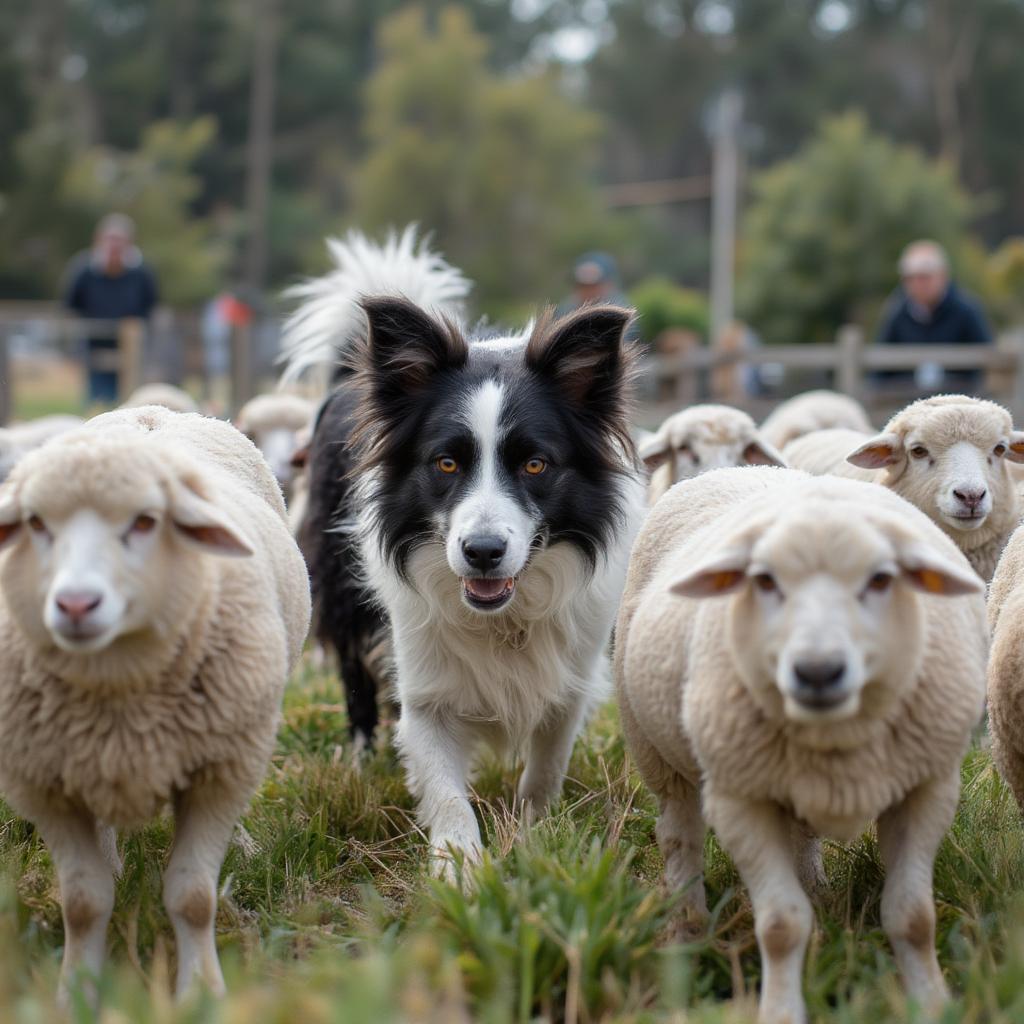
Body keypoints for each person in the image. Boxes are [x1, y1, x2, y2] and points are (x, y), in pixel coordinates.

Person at [64, 213, 159, 404]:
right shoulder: (84, 270)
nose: (114, 245)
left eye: (119, 240)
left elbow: (151, 306)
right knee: (99, 401)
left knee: (131, 400)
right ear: (99, 240)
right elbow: (71, 305)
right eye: (110, 240)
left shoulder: (141, 272)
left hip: (133, 348)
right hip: (95, 347)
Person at [876, 240, 992, 393]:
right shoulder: (897, 313)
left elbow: (987, 360)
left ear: (943, 276)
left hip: (960, 403)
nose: (918, 284)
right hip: (908, 403)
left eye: (925, 277)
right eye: (912, 278)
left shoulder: (966, 311)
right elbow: (880, 368)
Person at [556, 252, 639, 341]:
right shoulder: (565, 312)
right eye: (582, 285)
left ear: (608, 285)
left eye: (593, 285)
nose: (587, 291)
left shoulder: (620, 311)